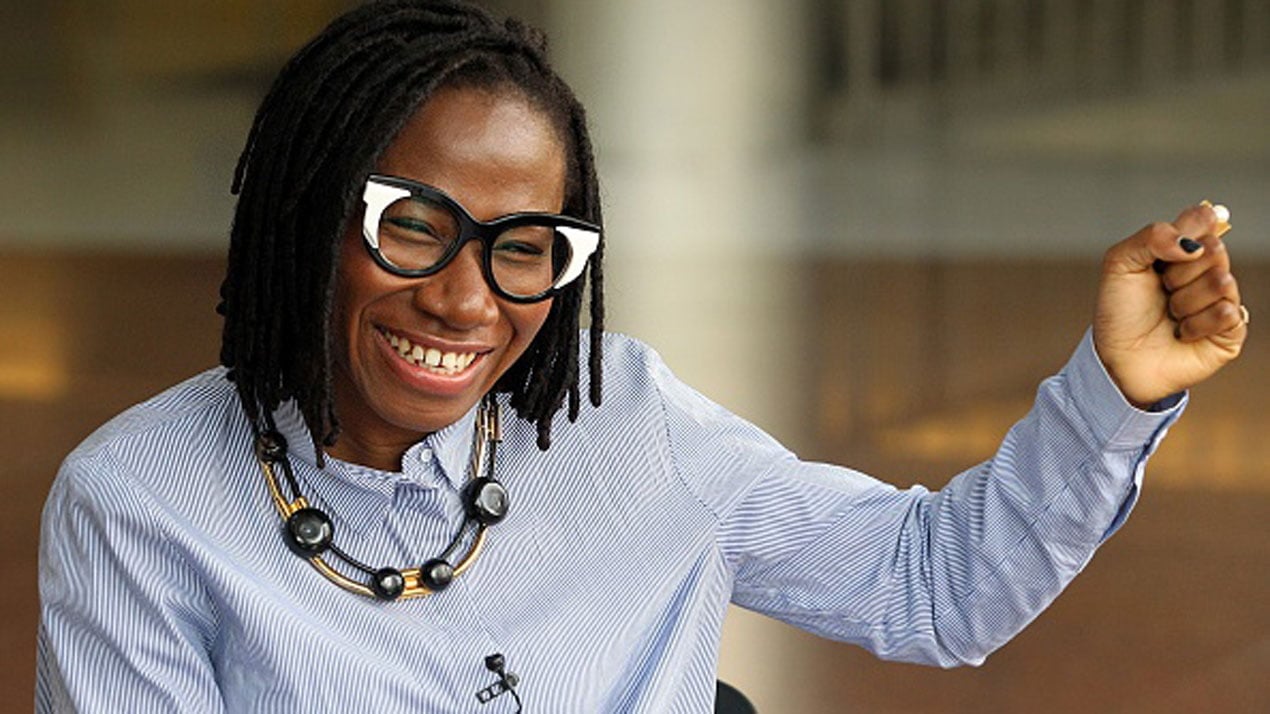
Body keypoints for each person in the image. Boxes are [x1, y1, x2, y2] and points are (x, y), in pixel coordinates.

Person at [36, 1, 1249, 711]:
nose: (464, 299)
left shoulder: (628, 418)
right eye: (411, 226)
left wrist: (1109, 394)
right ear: (309, 216)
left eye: (525, 248)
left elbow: (935, 589)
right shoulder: (140, 504)